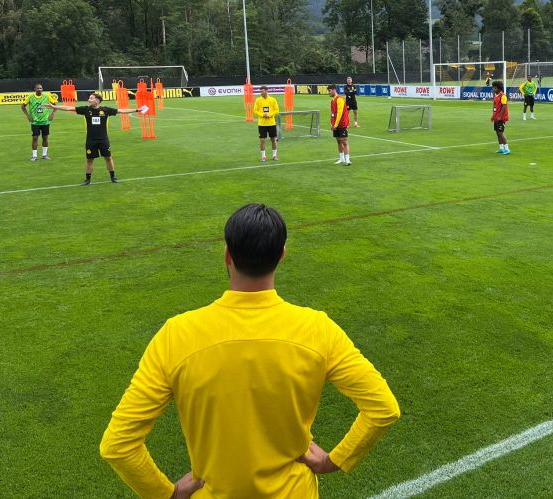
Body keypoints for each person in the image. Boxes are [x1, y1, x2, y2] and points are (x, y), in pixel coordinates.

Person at [100, 203, 400, 498]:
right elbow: (383, 409)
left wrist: (166, 494)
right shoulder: (317, 329)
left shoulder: (176, 335)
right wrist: (333, 460)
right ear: (281, 255)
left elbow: (118, 444)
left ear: (227, 255)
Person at [47, 93, 144, 185]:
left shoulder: (106, 110)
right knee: (89, 159)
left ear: (97, 100)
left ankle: (113, 177)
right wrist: (55, 107)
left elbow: (121, 111)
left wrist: (136, 110)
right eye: (89, 98)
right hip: (91, 140)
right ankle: (87, 179)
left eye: (91, 98)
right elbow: (69, 108)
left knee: (108, 158)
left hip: (103, 139)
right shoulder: (85, 109)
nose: (89, 100)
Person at [21, 83, 57, 161]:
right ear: (35, 89)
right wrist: (28, 115)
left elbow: (55, 105)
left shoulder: (47, 97)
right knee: (35, 137)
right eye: (38, 88)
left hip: (45, 121)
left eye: (41, 88)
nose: (39, 89)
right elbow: (23, 106)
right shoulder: (30, 97)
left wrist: (53, 113)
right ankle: (34, 156)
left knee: (45, 137)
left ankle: (44, 155)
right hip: (35, 122)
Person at [253, 85, 280, 162]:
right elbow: (255, 110)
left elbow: (277, 110)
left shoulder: (273, 99)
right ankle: (263, 156)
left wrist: (270, 115)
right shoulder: (258, 100)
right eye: (260, 91)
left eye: (262, 91)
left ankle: (274, 155)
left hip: (271, 123)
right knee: (262, 140)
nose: (261, 92)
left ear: (266, 91)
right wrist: (262, 115)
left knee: (273, 139)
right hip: (262, 124)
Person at [328, 85, 351, 165]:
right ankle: (341, 159)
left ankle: (347, 160)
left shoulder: (340, 99)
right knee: (338, 141)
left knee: (344, 141)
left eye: (330, 91)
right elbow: (333, 113)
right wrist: (332, 123)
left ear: (334, 90)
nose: (329, 93)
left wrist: (336, 124)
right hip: (335, 124)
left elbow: (339, 113)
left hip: (342, 123)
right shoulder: (332, 101)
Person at [491, 79, 510, 155]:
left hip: (501, 118)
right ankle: (501, 148)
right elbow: (495, 107)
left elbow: (504, 107)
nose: (494, 89)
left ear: (499, 88)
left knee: (501, 133)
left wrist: (500, 116)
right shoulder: (496, 96)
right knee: (497, 133)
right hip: (496, 118)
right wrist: (493, 116)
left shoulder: (503, 96)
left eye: (495, 88)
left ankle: (507, 149)